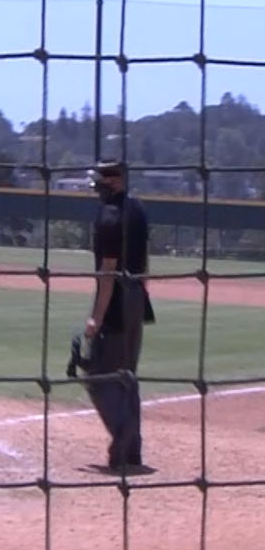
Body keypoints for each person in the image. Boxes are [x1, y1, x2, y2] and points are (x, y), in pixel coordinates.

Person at [83, 160, 154, 472]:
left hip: (117, 301)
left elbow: (107, 272)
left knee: (99, 375)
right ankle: (133, 451)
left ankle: (123, 442)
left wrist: (96, 318)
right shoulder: (137, 209)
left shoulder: (109, 216)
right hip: (137, 296)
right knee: (127, 376)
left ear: (112, 181)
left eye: (99, 180)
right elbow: (145, 261)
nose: (96, 186)